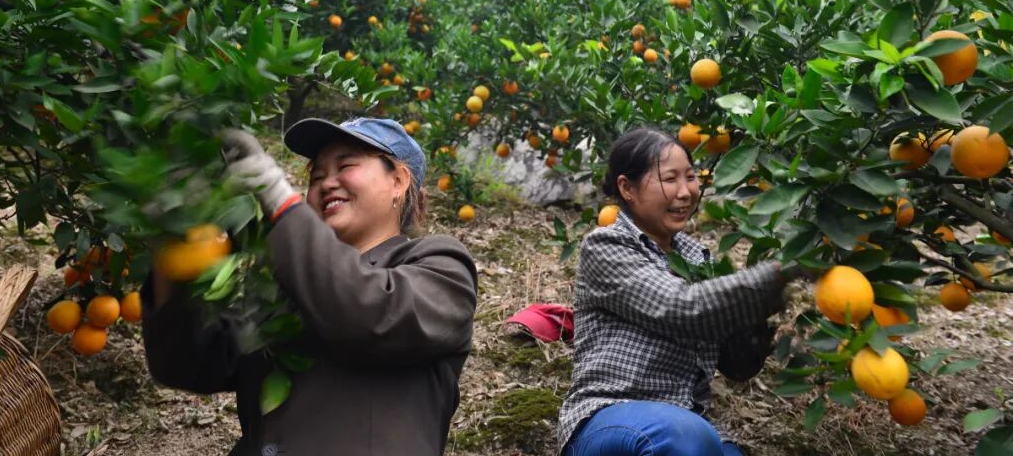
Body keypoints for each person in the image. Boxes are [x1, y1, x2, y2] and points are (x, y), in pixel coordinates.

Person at [141, 117, 478, 456]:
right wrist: (175, 251)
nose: (327, 183)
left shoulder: (441, 265)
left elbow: (370, 311)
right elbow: (186, 364)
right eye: (316, 177)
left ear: (398, 180)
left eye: (346, 165)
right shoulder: (280, 282)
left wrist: (280, 203)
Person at [558, 127, 789, 456]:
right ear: (627, 188)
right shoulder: (606, 247)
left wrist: (757, 325)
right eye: (670, 179)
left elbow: (737, 368)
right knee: (683, 435)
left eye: (691, 177)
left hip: (689, 424)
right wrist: (775, 276)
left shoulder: (697, 259)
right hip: (608, 419)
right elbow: (681, 309)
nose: (685, 192)